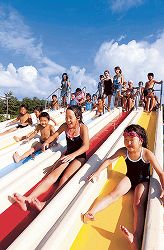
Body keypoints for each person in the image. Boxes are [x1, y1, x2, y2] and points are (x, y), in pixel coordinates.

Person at [82, 124, 164, 250]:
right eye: (126, 140)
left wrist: (163, 187)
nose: (128, 143)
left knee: (137, 203)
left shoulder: (147, 153)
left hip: (143, 181)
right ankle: (92, 212)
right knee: (114, 193)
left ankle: (135, 237)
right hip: (130, 178)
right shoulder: (123, 151)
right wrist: (98, 172)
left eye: (132, 140)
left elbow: (160, 172)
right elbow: (109, 160)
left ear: (141, 140)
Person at [12, 106, 89, 211]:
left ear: (78, 117)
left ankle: (47, 203)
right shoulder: (65, 126)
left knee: (64, 178)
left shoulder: (83, 128)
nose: (68, 120)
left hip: (79, 157)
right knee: (52, 176)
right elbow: (55, 135)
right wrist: (47, 142)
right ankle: (27, 200)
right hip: (68, 154)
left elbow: (86, 146)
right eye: (66, 117)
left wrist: (73, 155)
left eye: (70, 117)